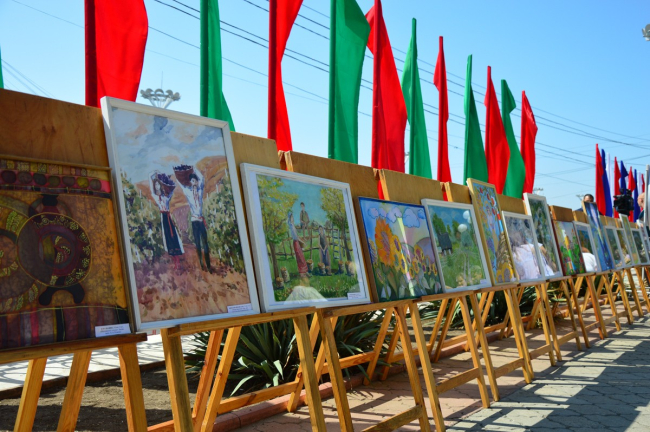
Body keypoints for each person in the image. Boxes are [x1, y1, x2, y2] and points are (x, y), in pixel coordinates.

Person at [179, 169, 212, 273]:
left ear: (197, 182)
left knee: (205, 243)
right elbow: (181, 184)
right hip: (194, 221)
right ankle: (201, 264)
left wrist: (194, 169)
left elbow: (202, 178)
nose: (194, 183)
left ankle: (209, 265)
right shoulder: (188, 192)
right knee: (198, 243)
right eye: (192, 181)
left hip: (201, 220)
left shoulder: (200, 190)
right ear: (190, 182)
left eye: (195, 181)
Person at [149, 172, 184, 270]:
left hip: (168, 217)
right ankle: (175, 261)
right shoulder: (156, 197)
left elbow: (172, 191)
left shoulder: (166, 196)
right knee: (168, 240)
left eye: (158, 184)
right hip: (163, 218)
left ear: (161, 186)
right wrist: (152, 175)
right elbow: (151, 187)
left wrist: (168, 183)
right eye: (155, 185)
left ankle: (178, 262)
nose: (157, 186)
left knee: (173, 237)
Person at [288, 211, 309, 276]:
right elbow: (296, 237)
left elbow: (297, 236)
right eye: (291, 217)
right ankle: (302, 272)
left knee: (301, 257)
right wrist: (303, 242)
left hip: (296, 242)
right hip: (296, 243)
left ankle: (304, 271)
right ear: (290, 219)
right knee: (300, 257)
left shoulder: (293, 226)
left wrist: (301, 240)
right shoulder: (291, 226)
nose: (293, 219)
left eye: (292, 217)